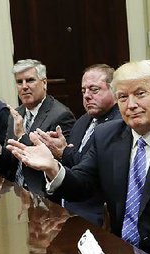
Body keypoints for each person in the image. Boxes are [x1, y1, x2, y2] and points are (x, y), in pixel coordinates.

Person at [7, 59, 150, 254]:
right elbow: (83, 185)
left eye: (140, 94)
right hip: (119, 252)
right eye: (123, 97)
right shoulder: (106, 135)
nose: (131, 105)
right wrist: (54, 168)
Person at [30, 63, 121, 225]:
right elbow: (73, 163)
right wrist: (56, 149)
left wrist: (63, 152)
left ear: (114, 91)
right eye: (83, 90)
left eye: (94, 90)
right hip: (65, 204)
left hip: (94, 210)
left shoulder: (119, 124)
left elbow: (93, 169)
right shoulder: (83, 121)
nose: (86, 96)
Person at [0, 59, 76, 194]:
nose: (24, 87)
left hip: (43, 194)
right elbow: (11, 161)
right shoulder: (16, 114)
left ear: (44, 83)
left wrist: (22, 136)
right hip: (15, 190)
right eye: (19, 82)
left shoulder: (60, 115)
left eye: (30, 80)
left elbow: (61, 164)